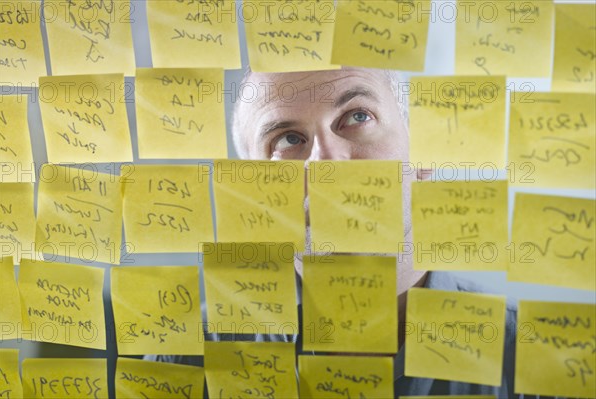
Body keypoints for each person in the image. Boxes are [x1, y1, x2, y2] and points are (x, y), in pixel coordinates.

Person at [150, 67, 549, 398]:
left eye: (358, 117)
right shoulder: (186, 360)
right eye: (288, 140)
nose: (326, 163)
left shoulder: (546, 361)